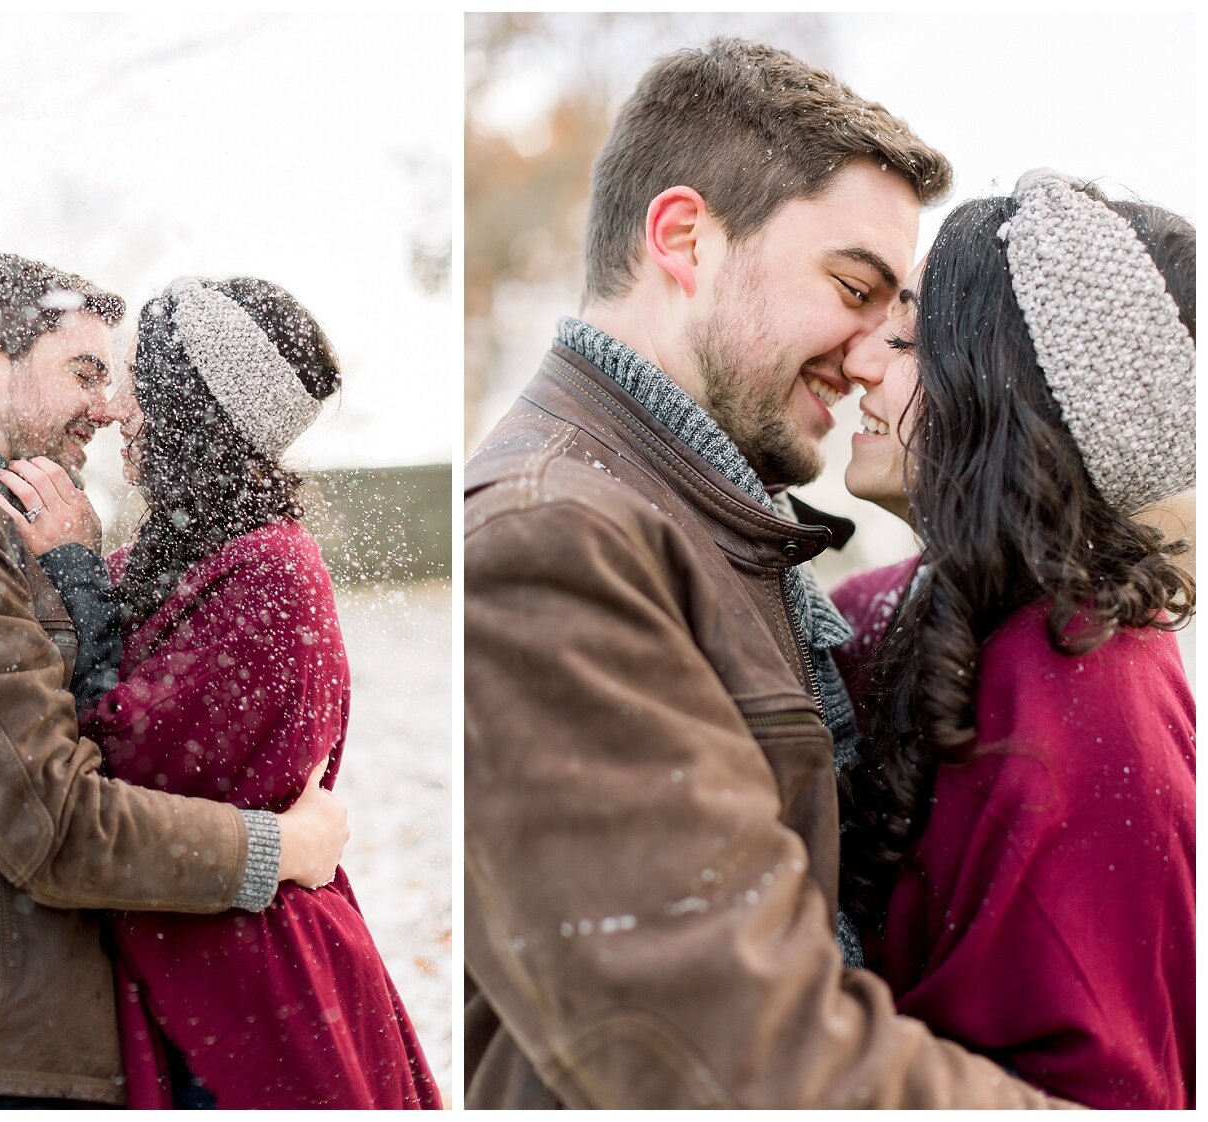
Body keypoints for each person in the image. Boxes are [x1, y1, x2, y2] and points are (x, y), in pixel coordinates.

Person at [464, 38, 1077, 1108]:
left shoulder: (696, 519)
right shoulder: (552, 539)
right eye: (853, 286)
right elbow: (727, 1050)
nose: (872, 351)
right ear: (685, 238)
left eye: (895, 315)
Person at [0, 252, 349, 1110]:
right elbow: (53, 821)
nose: (107, 404)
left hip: (0, 1055)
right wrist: (280, 851)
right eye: (83, 373)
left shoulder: (15, 527)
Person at [0, 275, 442, 1109]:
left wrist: (73, 574)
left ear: (186, 408)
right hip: (197, 970)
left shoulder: (273, 570)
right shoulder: (174, 559)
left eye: (136, 383)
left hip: (252, 997)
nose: (115, 409)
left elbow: (121, 761)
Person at [832, 173, 1195, 1109]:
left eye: (910, 338)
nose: (863, 362)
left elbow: (1102, 1083)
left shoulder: (1089, 696)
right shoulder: (886, 607)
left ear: (1006, 393)